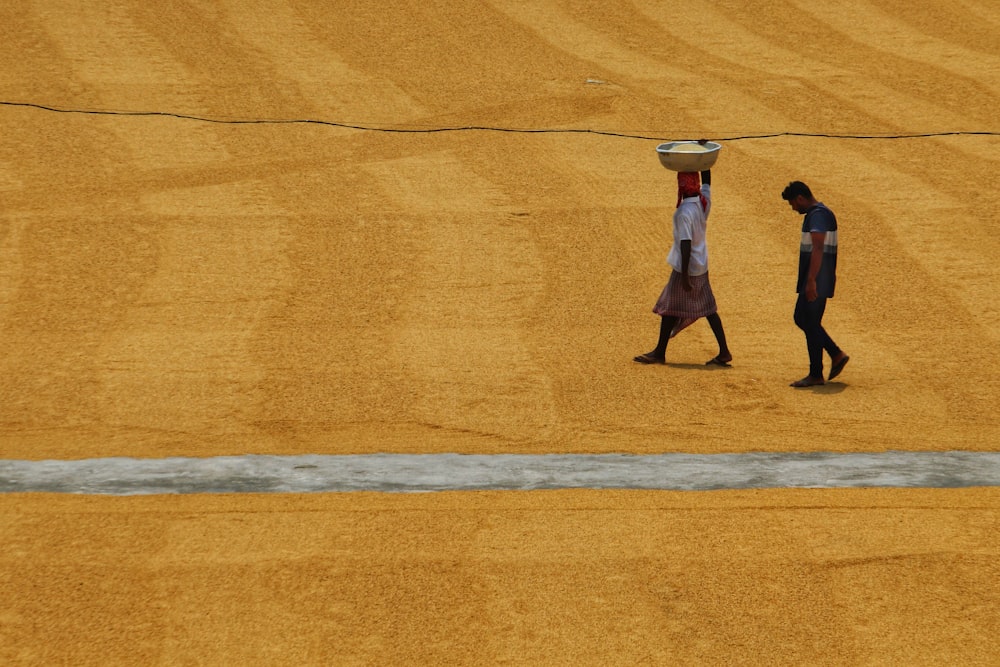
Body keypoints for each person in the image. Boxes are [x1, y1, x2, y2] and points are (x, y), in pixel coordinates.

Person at [634, 152, 731, 367]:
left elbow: (685, 244)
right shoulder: (702, 203)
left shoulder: (684, 212)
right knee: (707, 308)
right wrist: (704, 158)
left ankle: (659, 352)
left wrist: (684, 275)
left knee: (671, 308)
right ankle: (723, 351)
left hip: (686, 268)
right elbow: (707, 182)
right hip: (701, 265)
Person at [781, 181, 849, 387]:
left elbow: (818, 247)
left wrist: (811, 281)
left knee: (805, 319)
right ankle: (818, 371)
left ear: (800, 198)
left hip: (818, 279)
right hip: (820, 277)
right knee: (806, 319)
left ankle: (834, 355)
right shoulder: (820, 213)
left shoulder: (818, 215)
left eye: (793, 203)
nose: (793, 208)